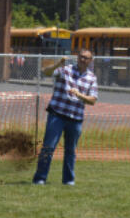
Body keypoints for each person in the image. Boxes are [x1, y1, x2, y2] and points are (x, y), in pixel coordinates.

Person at [32, 48, 98, 186]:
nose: (83, 59)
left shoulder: (91, 78)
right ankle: (40, 178)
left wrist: (79, 94)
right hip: (57, 115)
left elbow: (92, 100)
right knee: (48, 147)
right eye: (81, 57)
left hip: (75, 119)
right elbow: (46, 72)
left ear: (90, 61)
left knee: (70, 151)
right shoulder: (66, 69)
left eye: (86, 58)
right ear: (77, 57)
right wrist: (57, 64)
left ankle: (68, 180)